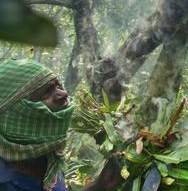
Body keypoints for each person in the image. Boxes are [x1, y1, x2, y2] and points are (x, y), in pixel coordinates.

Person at [0, 59, 122, 191]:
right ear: (17, 113)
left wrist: (98, 186)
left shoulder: (47, 156)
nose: (64, 94)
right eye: (46, 92)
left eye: (58, 86)